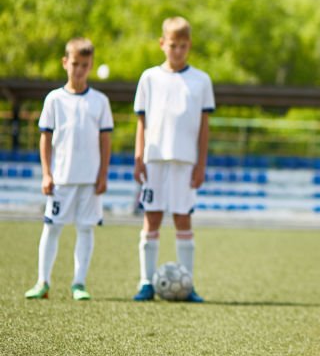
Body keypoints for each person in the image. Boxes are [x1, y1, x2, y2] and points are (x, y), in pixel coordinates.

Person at [132, 17, 215, 302]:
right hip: (154, 160)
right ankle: (145, 282)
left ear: (189, 46)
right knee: (151, 217)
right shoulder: (149, 78)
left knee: (183, 220)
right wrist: (138, 155)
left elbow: (204, 126)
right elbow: (141, 121)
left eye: (182, 46)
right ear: (162, 44)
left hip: (185, 162)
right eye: (172, 45)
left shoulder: (201, 80)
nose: (177, 51)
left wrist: (201, 163)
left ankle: (188, 284)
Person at [25, 38, 113, 301]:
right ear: (65, 63)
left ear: (91, 66)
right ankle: (43, 282)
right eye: (75, 64)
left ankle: (79, 283)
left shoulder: (100, 101)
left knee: (85, 229)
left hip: (89, 179)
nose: (79, 70)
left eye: (85, 65)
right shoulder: (54, 99)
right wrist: (47, 173)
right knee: (51, 228)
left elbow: (105, 140)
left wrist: (103, 174)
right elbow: (45, 137)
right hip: (61, 178)